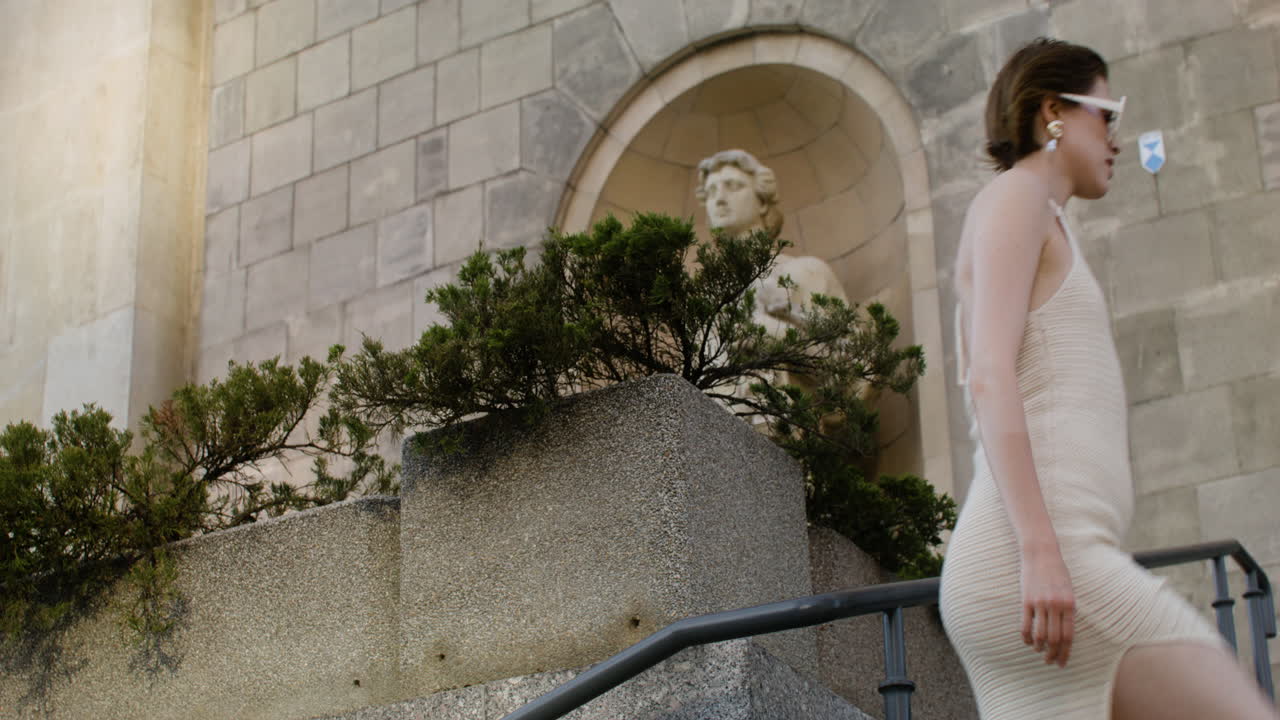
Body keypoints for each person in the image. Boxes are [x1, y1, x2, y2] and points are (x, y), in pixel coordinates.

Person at [937, 38, 1278, 720]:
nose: (1116, 138)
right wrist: (1041, 552)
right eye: (1107, 114)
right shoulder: (1018, 196)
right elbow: (989, 375)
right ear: (1053, 112)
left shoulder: (1044, 215)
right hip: (1034, 559)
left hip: (1041, 560)